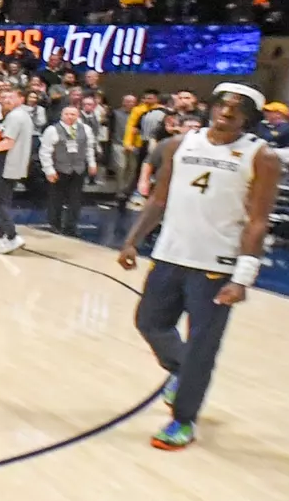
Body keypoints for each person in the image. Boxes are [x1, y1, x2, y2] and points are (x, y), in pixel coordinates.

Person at [117, 84, 279, 451]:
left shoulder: (261, 157)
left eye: (236, 110)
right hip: (170, 256)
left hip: (216, 266)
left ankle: (183, 420)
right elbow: (159, 199)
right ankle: (180, 370)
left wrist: (243, 278)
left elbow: (257, 221)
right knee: (150, 322)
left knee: (202, 346)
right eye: (222, 106)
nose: (226, 113)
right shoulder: (179, 145)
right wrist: (132, 240)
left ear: (247, 118)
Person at [0, 86, 34, 254]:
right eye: (5, 98)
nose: (6, 100)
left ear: (21, 99)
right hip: (17, 163)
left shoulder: (15, 116)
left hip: (7, 162)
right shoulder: (25, 116)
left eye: (11, 97)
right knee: (4, 201)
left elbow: (8, 142)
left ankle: (12, 236)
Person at [39, 105, 98, 236]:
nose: (70, 117)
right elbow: (45, 151)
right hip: (59, 168)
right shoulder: (52, 130)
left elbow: (89, 148)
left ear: (78, 116)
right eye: (67, 114)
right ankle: (55, 224)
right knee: (56, 198)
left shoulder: (86, 129)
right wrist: (48, 170)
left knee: (75, 200)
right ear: (62, 115)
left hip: (78, 169)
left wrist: (92, 163)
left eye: (73, 114)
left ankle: (71, 226)